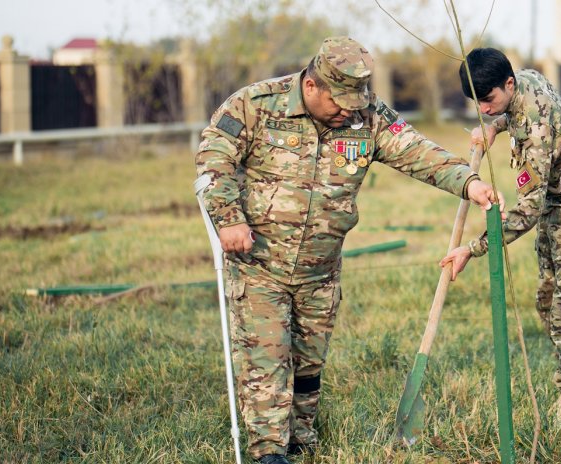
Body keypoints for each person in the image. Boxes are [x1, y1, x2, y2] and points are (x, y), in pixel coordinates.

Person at [195, 37, 501, 464]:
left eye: (354, 102)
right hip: (260, 263)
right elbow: (213, 161)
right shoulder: (255, 105)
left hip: (321, 269)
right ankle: (269, 452)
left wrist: (468, 183)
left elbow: (417, 152)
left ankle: (301, 439)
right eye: (338, 101)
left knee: (308, 362)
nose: (347, 110)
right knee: (267, 358)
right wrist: (229, 219)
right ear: (312, 85)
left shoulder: (367, 116)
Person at [440, 48, 561, 423]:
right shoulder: (524, 79)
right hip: (553, 203)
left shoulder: (535, 128)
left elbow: (528, 210)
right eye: (476, 103)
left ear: (509, 83)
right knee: (547, 300)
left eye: (489, 100)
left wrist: (473, 248)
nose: (483, 109)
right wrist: (494, 127)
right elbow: (506, 110)